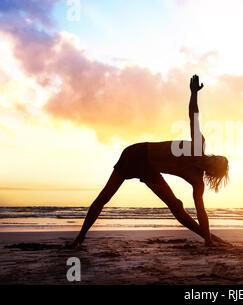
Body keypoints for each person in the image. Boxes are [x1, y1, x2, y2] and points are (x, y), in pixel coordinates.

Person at [68, 75, 229, 248]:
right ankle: (80, 237)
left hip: (150, 171)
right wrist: (193, 93)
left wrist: (207, 239)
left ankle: (208, 238)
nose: (216, 158)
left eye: (219, 163)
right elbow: (193, 116)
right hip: (136, 154)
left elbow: (201, 212)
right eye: (219, 157)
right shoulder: (198, 145)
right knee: (104, 197)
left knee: (177, 206)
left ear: (214, 171)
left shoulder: (197, 181)